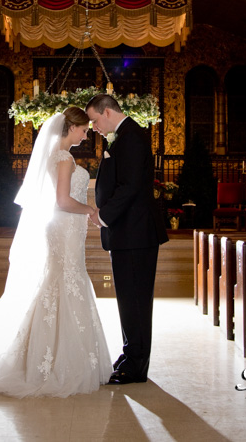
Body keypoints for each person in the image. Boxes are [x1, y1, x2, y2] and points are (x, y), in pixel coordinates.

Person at [0, 107, 112, 397]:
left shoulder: (54, 156)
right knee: (66, 280)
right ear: (71, 127)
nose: (87, 132)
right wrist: (91, 210)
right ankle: (60, 362)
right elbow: (63, 201)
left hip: (64, 228)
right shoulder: (64, 159)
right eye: (84, 129)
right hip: (65, 225)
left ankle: (44, 356)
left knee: (59, 281)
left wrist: (84, 214)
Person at [86, 94, 168, 384]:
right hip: (127, 232)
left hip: (135, 232)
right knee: (129, 298)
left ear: (107, 112)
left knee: (135, 299)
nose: (94, 127)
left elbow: (130, 186)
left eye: (95, 120)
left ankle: (136, 364)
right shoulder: (123, 136)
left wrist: (103, 214)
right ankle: (131, 353)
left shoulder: (131, 136)